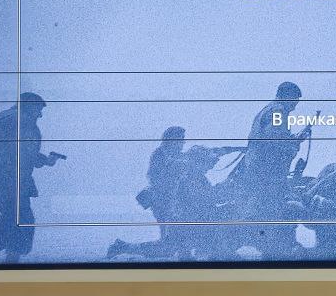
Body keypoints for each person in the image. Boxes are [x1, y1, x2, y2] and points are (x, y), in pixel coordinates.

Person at [107, 126, 240, 261]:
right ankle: (123, 247)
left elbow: (204, 155)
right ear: (171, 140)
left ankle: (124, 247)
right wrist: (196, 161)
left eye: (182, 140)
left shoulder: (181, 158)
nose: (183, 143)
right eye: (180, 140)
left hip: (176, 207)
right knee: (168, 246)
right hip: (163, 204)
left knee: (170, 245)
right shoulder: (161, 155)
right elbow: (173, 169)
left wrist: (231, 150)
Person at [218, 81, 311, 259]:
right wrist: (295, 144)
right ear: (286, 96)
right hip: (266, 173)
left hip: (258, 170)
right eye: (295, 100)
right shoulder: (278, 112)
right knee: (272, 210)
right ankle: (272, 250)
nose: (295, 105)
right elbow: (275, 142)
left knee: (264, 209)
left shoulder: (269, 110)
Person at [0, 92, 66, 262]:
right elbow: (21, 152)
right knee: (22, 222)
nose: (40, 115)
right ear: (30, 107)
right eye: (38, 110)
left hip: (1, 179)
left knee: (13, 221)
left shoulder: (5, 117)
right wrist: (44, 160)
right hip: (9, 180)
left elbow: (17, 150)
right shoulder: (21, 121)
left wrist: (43, 160)